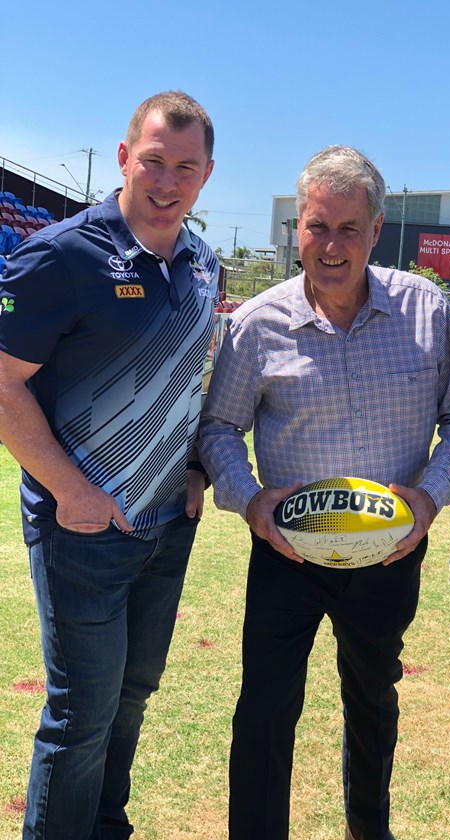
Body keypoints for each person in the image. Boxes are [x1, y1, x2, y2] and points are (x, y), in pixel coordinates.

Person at [198, 145, 450, 840]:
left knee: (374, 700)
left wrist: (428, 500)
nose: (330, 245)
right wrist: (253, 501)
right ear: (298, 227)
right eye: (316, 226)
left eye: (347, 229)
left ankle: (368, 828)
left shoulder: (423, 309)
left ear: (375, 229)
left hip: (389, 554)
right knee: (264, 709)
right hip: (287, 553)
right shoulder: (258, 323)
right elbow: (220, 429)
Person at [0, 90, 218, 839]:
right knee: (81, 717)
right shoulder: (61, 256)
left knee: (132, 697)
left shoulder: (203, 262)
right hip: (83, 531)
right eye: (154, 161)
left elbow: (189, 374)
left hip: (166, 528)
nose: (167, 181)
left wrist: (194, 469)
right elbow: (1, 380)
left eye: (185, 168)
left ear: (206, 176)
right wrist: (71, 491)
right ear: (125, 158)